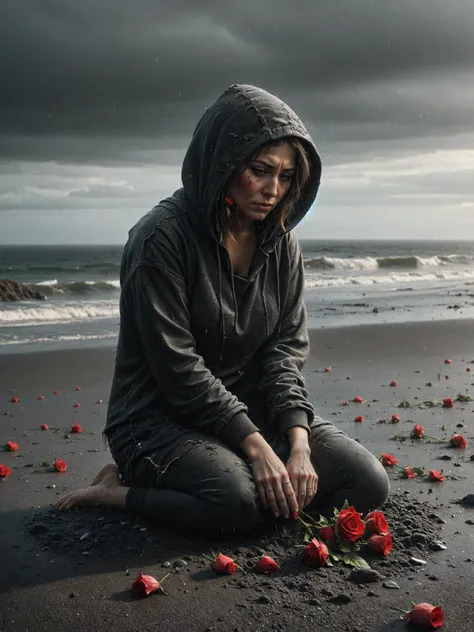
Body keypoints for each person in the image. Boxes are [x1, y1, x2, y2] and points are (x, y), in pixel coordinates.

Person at [56, 84, 389, 534]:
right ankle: (116, 491)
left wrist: (297, 444)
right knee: (238, 503)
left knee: (368, 482)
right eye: (260, 170)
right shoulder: (160, 240)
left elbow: (284, 352)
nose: (273, 190)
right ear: (223, 163)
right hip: (157, 419)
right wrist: (256, 449)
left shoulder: (281, 241)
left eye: (286, 176)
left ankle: (237, 473)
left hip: (250, 408)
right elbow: (177, 369)